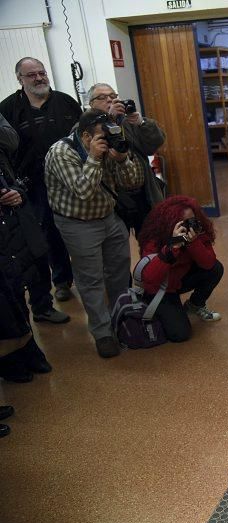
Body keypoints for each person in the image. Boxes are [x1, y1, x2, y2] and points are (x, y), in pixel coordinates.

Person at [44, 109, 144, 358]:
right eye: (103, 136)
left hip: (109, 217)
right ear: (86, 136)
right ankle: (102, 333)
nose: (108, 139)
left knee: (120, 270)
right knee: (91, 279)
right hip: (77, 222)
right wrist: (94, 158)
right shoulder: (61, 152)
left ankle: (120, 318)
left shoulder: (108, 141)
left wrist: (121, 159)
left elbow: (133, 183)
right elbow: (83, 191)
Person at [0, 57, 78, 319]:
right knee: (44, 238)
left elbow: (82, 138)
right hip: (31, 188)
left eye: (41, 73)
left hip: (70, 182)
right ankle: (60, 283)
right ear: (20, 79)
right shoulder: (9, 108)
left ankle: (84, 277)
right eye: (31, 75)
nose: (39, 78)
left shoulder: (66, 102)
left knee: (76, 230)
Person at [0, 112, 52, 382]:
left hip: (12, 218)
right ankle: (10, 359)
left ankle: (27, 347)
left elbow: (11, 143)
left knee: (18, 282)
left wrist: (14, 193)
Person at [137, 196, 224, 343]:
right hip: (161, 288)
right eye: (183, 223)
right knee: (180, 334)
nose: (189, 225)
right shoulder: (154, 237)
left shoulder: (197, 229)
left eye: (192, 220)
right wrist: (173, 246)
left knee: (216, 268)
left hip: (180, 279)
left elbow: (208, 263)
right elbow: (150, 278)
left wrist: (193, 242)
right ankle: (161, 309)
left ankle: (194, 305)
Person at [87, 83, 166, 234]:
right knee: (118, 247)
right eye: (102, 97)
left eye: (113, 96)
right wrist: (108, 119)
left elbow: (154, 145)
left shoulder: (126, 122)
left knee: (153, 239)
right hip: (113, 199)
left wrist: (141, 123)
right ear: (91, 104)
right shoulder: (86, 126)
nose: (109, 100)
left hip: (142, 193)